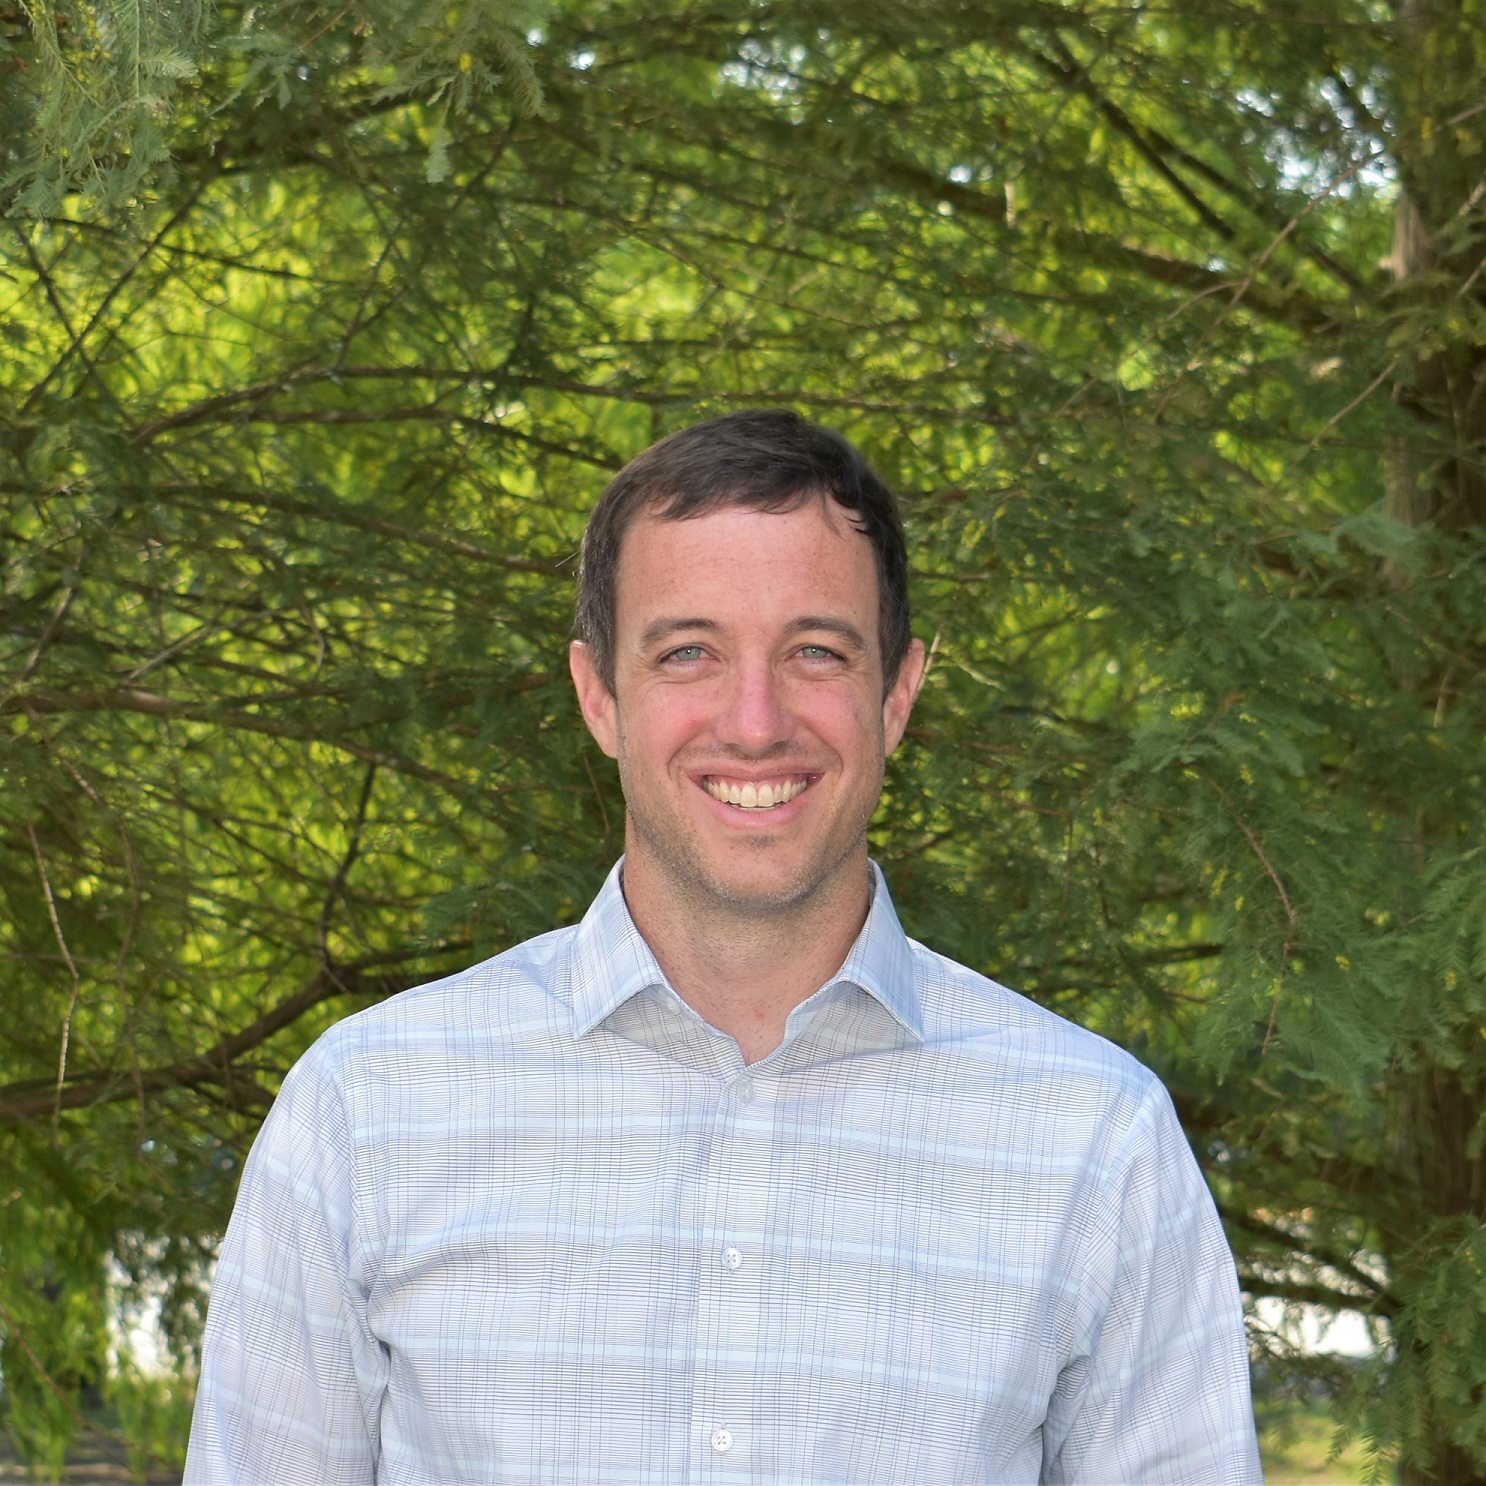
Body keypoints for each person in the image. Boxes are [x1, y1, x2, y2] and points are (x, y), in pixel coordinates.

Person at [184, 410, 1261, 1484]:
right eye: (689, 651)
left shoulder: (1094, 1141)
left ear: (897, 693)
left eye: (816, 651)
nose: (754, 722)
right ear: (600, 693)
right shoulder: (367, 1110)